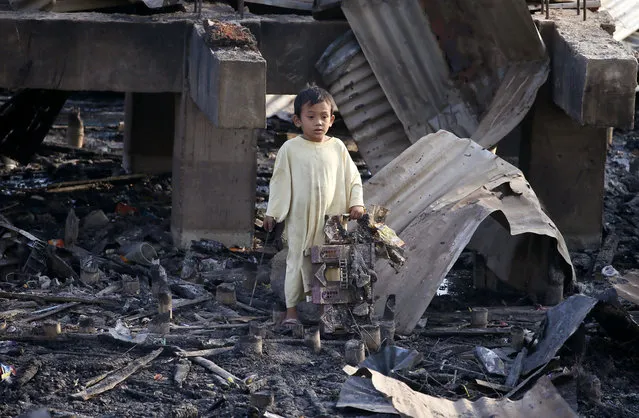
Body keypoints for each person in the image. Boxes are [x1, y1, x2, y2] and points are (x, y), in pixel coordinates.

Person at [264, 86, 365, 327]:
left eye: (323, 117)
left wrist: (356, 203)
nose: (318, 122)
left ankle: (324, 313)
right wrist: (273, 213)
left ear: (331, 119)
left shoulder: (338, 147)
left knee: (329, 262)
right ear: (298, 120)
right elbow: (279, 183)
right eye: (311, 117)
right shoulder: (290, 149)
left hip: (331, 220)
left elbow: (353, 178)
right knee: (296, 262)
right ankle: (291, 312)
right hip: (300, 218)